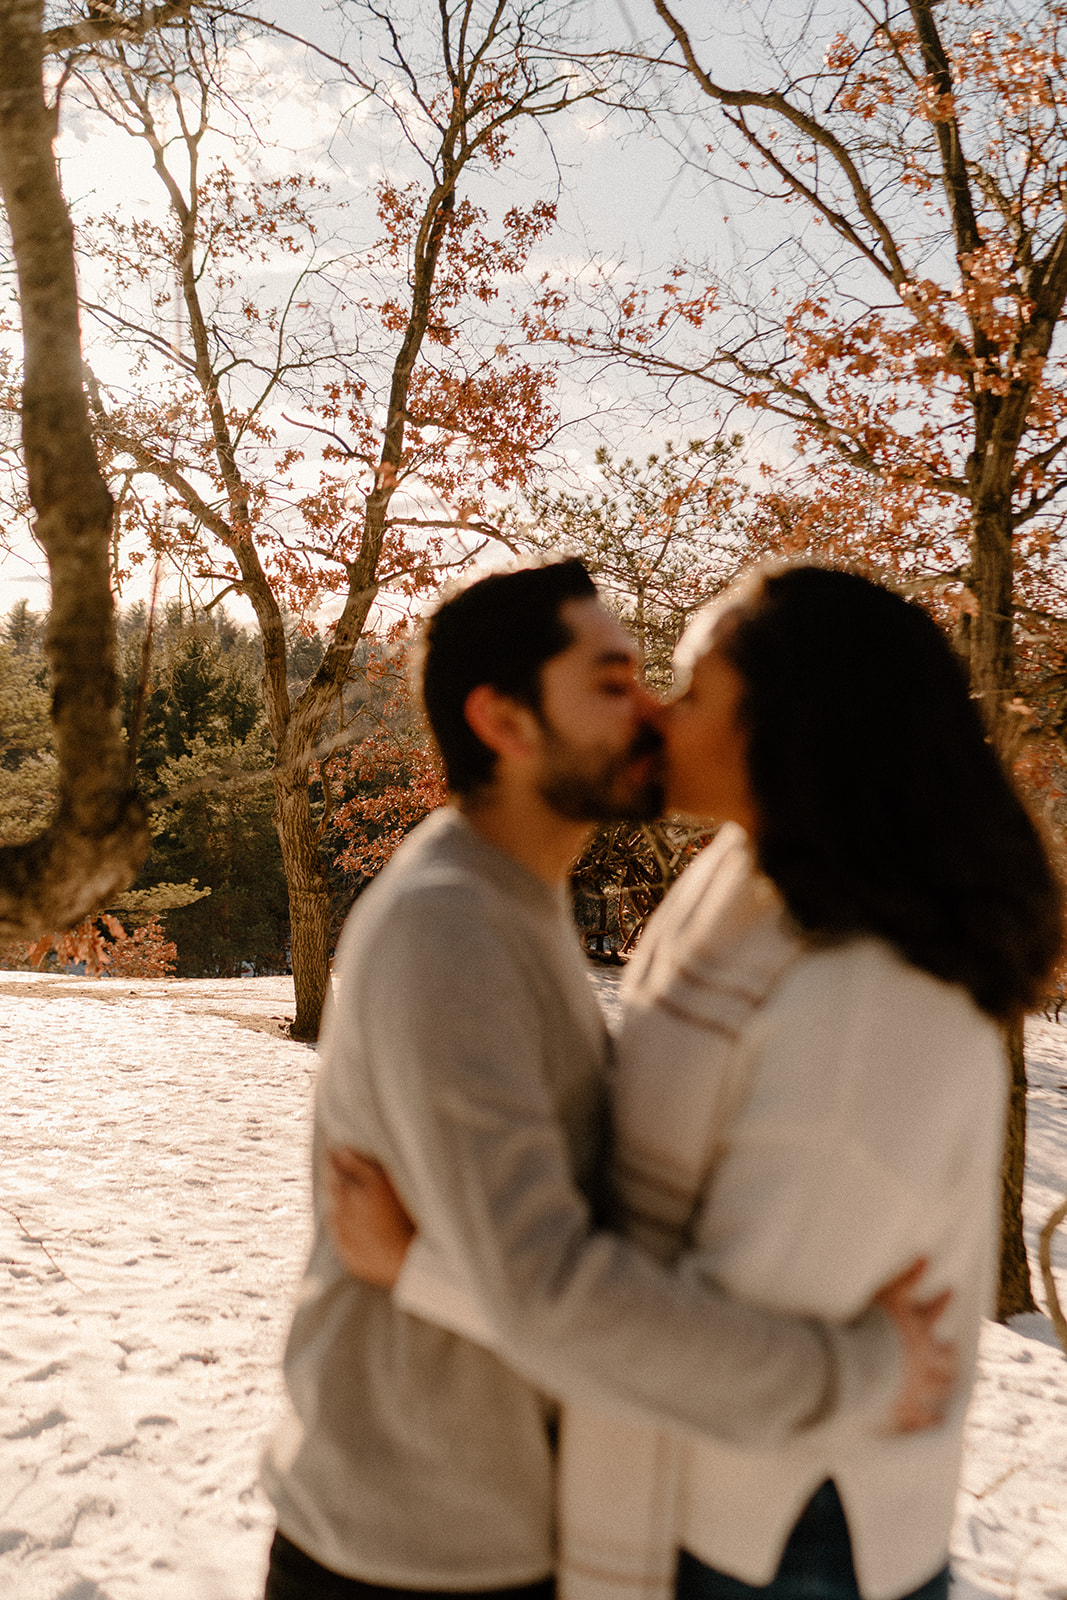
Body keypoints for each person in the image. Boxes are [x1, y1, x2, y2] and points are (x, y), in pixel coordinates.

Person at [333, 564, 1061, 1600]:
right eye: (626, 683)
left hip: (786, 1530)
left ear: (788, 728)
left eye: (686, 690)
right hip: (714, 1497)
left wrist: (423, 1265)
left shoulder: (868, 1005)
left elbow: (712, 1339)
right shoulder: (743, 881)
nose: (657, 716)